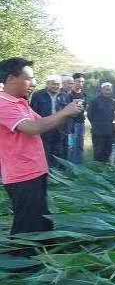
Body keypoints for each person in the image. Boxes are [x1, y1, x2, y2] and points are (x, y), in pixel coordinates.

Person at [0, 58, 83, 236]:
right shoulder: (3, 104)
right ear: (10, 79)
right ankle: (24, 261)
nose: (34, 82)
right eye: (29, 78)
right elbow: (33, 128)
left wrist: (68, 113)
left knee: (41, 219)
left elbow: (42, 123)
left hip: (35, 170)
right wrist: (65, 111)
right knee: (27, 226)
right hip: (22, 175)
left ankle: (42, 255)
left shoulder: (20, 103)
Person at [30, 74, 66, 166]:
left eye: (58, 84)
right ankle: (46, 172)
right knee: (45, 151)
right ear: (47, 84)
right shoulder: (38, 95)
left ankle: (58, 175)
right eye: (53, 84)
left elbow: (68, 113)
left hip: (59, 129)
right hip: (44, 128)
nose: (56, 86)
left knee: (58, 152)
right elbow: (33, 111)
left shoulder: (64, 95)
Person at [87, 82, 115, 162]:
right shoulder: (94, 101)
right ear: (101, 90)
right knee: (98, 152)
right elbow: (90, 115)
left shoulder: (113, 101)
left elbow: (113, 115)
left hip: (109, 131)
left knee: (108, 152)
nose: (108, 91)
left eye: (109, 90)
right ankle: (97, 171)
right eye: (106, 90)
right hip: (98, 131)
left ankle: (106, 170)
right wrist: (97, 124)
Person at [66, 73, 88, 164]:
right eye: (78, 81)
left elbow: (85, 108)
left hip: (80, 123)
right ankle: (70, 166)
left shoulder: (84, 94)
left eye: (82, 82)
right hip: (70, 123)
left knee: (80, 145)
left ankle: (78, 167)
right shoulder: (68, 94)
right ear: (73, 82)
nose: (81, 83)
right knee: (71, 146)